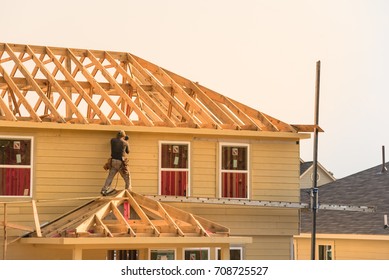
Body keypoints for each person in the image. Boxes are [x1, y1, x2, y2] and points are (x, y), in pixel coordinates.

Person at [101, 130, 131, 196]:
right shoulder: (125, 142)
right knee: (127, 177)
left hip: (113, 162)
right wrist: (126, 141)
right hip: (121, 162)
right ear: (123, 136)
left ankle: (104, 190)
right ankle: (128, 191)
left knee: (110, 176)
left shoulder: (112, 140)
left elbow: (117, 141)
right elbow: (128, 151)